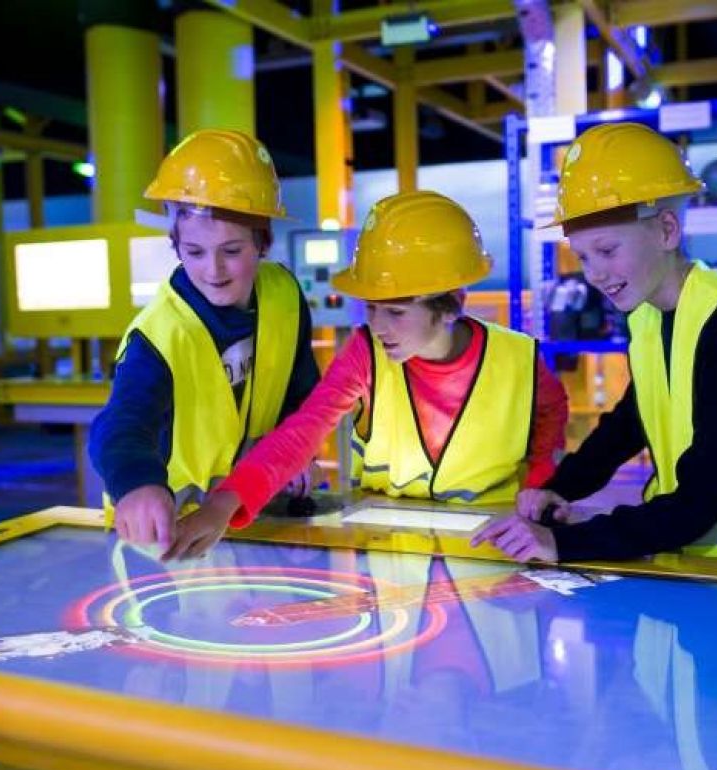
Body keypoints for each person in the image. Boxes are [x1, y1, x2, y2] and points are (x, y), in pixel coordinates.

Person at [474, 122, 717, 569]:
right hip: (711, 567)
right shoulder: (649, 315)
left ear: (667, 231)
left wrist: (562, 543)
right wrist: (561, 487)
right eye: (582, 257)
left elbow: (699, 501)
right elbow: (632, 420)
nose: (594, 274)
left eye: (607, 249)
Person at [171, 190, 570, 560]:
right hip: (390, 548)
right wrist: (225, 503)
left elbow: (551, 415)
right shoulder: (366, 353)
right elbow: (304, 429)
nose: (378, 325)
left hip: (492, 543)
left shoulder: (517, 357)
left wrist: (540, 481)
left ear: (452, 307)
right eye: (372, 307)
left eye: (395, 312)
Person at [89, 129, 320, 551]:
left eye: (231, 250)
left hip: (253, 507)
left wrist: (297, 453)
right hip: (169, 528)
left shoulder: (285, 294)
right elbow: (120, 424)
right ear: (175, 244)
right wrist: (136, 483)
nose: (213, 270)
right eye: (194, 252)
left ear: (263, 241)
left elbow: (301, 393)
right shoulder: (158, 332)